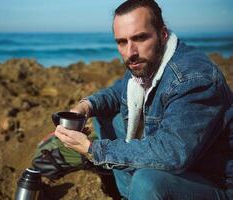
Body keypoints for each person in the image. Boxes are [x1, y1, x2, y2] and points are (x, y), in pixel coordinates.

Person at [54, 0, 233, 199]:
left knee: (147, 181)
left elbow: (172, 152)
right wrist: (84, 106)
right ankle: (129, 195)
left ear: (162, 34)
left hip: (216, 184)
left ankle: (140, 192)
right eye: (122, 42)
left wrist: (93, 149)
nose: (131, 52)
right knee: (104, 113)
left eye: (140, 38)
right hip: (187, 166)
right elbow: (117, 91)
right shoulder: (148, 64)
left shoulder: (192, 79)